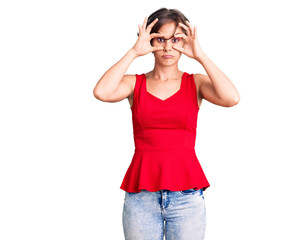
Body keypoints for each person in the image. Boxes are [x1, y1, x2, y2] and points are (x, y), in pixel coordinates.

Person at [93, 7, 240, 240]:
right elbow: (101, 92)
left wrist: (200, 55)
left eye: (176, 40)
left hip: (186, 196)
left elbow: (231, 98)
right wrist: (134, 51)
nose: (168, 47)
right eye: (160, 39)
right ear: (150, 41)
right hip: (141, 197)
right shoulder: (135, 84)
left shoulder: (196, 83)